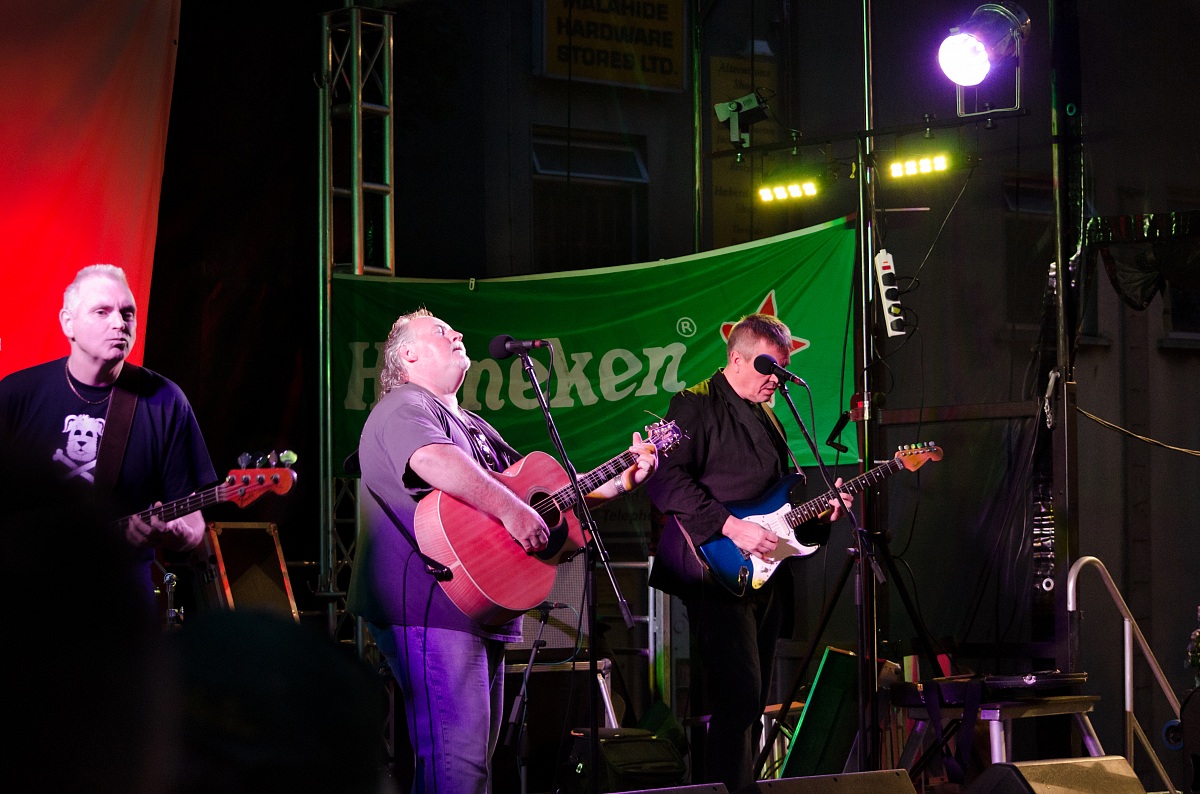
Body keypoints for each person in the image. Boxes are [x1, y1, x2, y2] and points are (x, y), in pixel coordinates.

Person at [346, 308, 659, 794]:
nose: (458, 333)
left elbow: (543, 496)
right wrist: (511, 511)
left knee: (468, 765)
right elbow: (431, 459)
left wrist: (620, 481)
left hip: (476, 603)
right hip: (428, 601)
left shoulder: (472, 423)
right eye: (441, 332)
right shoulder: (404, 405)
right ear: (408, 355)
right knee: (459, 767)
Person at [644, 312, 852, 790]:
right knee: (738, 697)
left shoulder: (768, 414)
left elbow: (779, 507)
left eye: (782, 369)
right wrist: (730, 526)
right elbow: (664, 479)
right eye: (767, 367)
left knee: (751, 702)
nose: (776, 379)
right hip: (715, 568)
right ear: (736, 359)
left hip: (764, 571)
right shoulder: (694, 404)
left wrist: (821, 516)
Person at [0, 264, 216, 610]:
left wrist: (175, 533)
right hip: (24, 599)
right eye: (102, 312)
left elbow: (194, 525)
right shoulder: (16, 394)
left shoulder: (164, 401)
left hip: (117, 604)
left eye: (127, 313)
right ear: (67, 323)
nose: (119, 323)